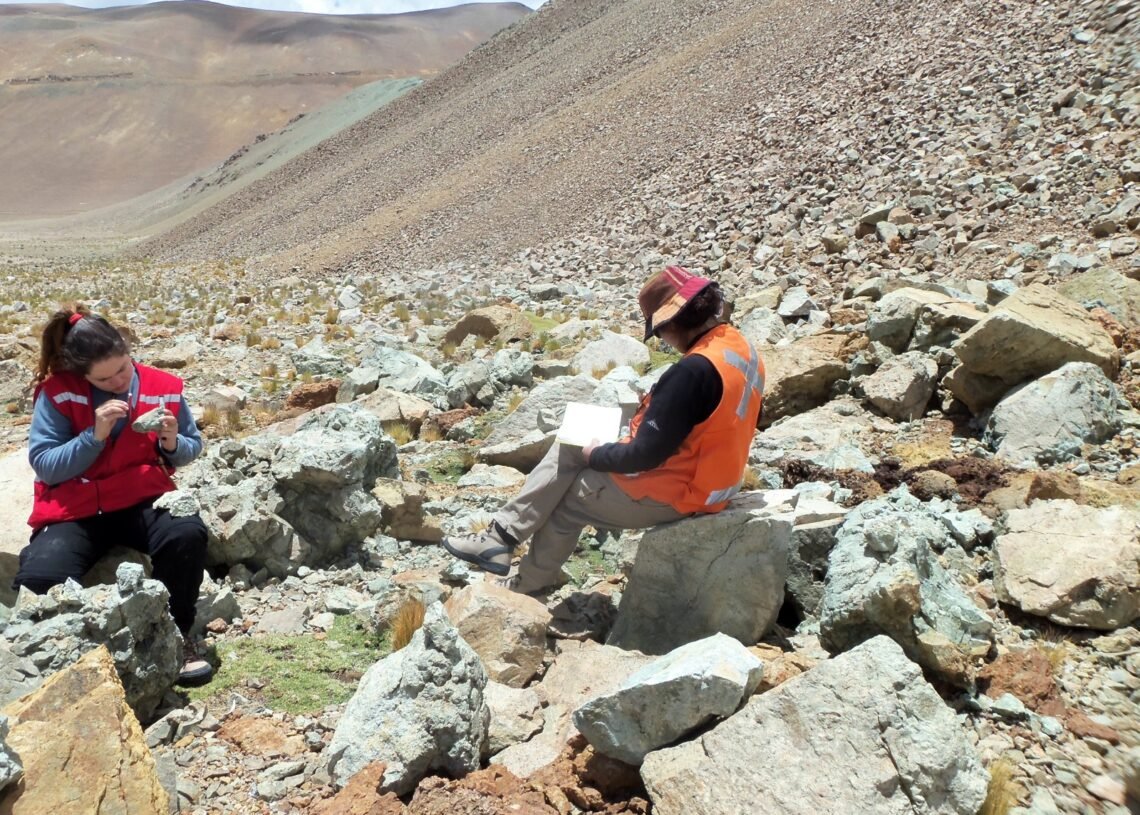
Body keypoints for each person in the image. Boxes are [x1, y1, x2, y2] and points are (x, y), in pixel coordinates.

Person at [443, 265, 765, 595]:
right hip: (716, 480)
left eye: (659, 333)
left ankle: (526, 583)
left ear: (673, 323)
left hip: (682, 492)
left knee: (571, 496)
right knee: (569, 442)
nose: (664, 341)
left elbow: (644, 456)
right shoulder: (740, 349)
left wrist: (595, 454)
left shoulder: (692, 371)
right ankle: (500, 538)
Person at [13, 304, 214, 686]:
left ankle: (177, 635)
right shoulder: (58, 394)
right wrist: (94, 436)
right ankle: (47, 666)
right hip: (76, 509)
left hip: (141, 497)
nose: (120, 381)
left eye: (124, 368)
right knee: (40, 576)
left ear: (127, 350)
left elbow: (192, 446)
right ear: (81, 372)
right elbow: (45, 464)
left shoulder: (162, 387)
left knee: (185, 533)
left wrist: (172, 443)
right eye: (104, 379)